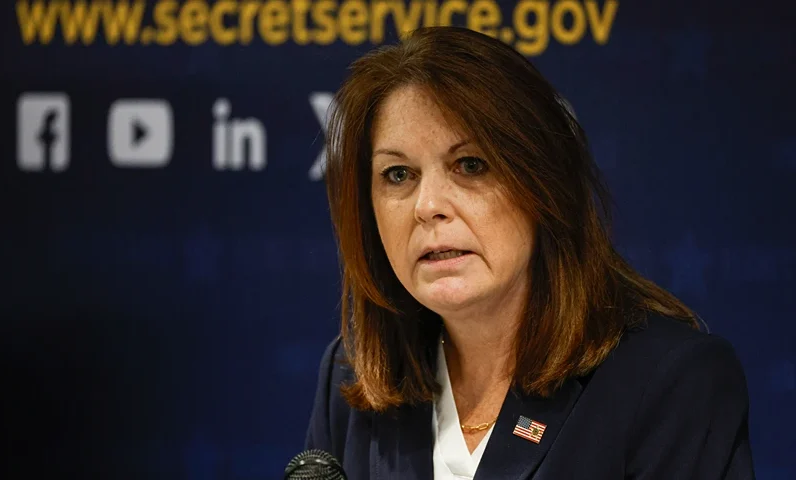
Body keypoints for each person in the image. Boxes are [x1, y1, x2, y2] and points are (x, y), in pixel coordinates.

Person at [304, 26, 754, 479]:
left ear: (542, 186)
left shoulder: (670, 383)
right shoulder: (355, 375)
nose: (428, 206)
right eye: (398, 174)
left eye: (471, 165)